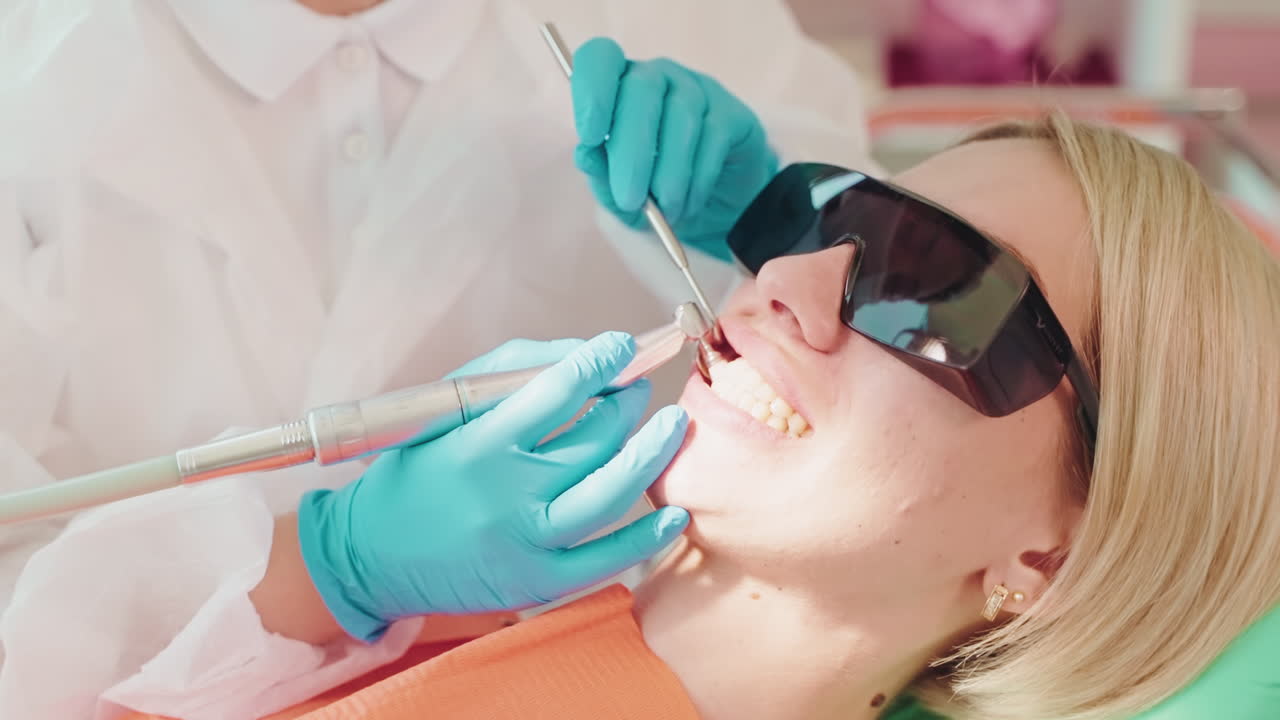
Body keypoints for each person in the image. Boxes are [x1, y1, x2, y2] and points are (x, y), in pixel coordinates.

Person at [123, 112, 1279, 720]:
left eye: (929, 291)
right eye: (837, 223)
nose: (786, 283)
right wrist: (323, 577)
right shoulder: (501, 606)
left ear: (1057, 552)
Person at [0, 0, 873, 717]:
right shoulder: (35, 73)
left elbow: (879, 347)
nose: (797, 303)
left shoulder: (698, 26)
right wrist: (323, 567)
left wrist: (773, 220)